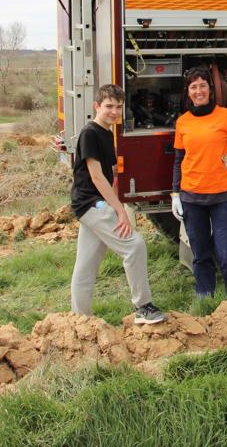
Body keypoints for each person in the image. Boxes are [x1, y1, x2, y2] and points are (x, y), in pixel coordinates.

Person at [70, 84, 166, 324]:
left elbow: (110, 175)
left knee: (86, 265)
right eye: (109, 106)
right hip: (91, 204)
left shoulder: (105, 132)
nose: (114, 111)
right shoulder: (90, 133)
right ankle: (143, 307)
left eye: (119, 107)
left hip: (92, 204)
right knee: (134, 246)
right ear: (96, 106)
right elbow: (96, 176)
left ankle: (80, 320)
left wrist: (117, 203)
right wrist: (119, 210)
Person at [172, 66, 227, 298]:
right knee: (200, 254)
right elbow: (179, 160)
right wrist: (175, 194)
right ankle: (204, 295)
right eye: (194, 87)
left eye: (203, 85)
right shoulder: (183, 122)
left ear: (210, 90)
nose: (198, 91)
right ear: (188, 92)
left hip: (222, 196)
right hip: (191, 197)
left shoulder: (225, 116)